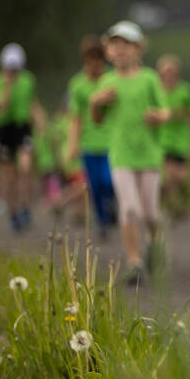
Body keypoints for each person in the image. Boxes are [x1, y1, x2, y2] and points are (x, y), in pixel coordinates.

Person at [90, 22, 171, 285]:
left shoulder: (149, 78)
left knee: (150, 213)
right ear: (108, 52)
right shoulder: (106, 81)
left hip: (148, 154)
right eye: (115, 45)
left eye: (126, 44)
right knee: (129, 208)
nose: (120, 50)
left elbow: (165, 111)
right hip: (121, 154)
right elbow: (98, 120)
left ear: (138, 49)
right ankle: (134, 262)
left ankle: (154, 244)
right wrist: (96, 103)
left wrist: (157, 116)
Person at [65, 34, 117, 239]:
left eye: (98, 61)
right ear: (84, 61)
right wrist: (72, 143)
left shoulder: (111, 80)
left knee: (108, 181)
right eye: (89, 61)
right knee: (94, 185)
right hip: (88, 143)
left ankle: (112, 203)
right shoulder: (77, 85)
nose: (94, 66)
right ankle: (103, 221)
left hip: (111, 141)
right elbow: (75, 118)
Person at [0, 43, 43, 233]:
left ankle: (25, 206)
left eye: (15, 68)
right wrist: (8, 86)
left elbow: (32, 102)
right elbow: (2, 107)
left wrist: (40, 119)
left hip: (22, 128)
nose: (13, 72)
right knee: (10, 176)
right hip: (4, 129)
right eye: (9, 68)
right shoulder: (0, 82)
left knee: (25, 168)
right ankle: (13, 211)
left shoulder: (28, 80)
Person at [157, 54, 190, 221]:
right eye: (166, 72)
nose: (169, 76)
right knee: (169, 177)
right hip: (163, 140)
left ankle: (181, 200)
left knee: (182, 178)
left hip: (180, 140)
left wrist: (178, 114)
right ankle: (174, 208)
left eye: (172, 72)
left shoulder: (185, 91)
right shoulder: (157, 91)